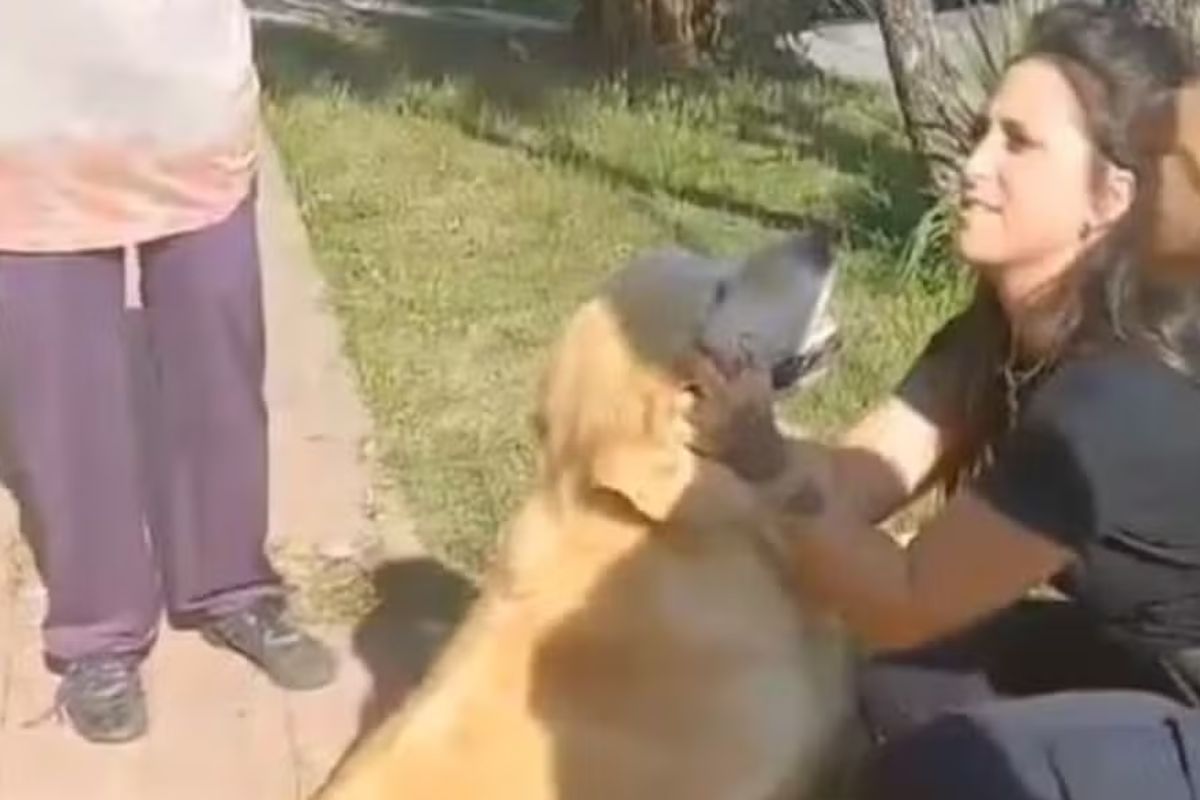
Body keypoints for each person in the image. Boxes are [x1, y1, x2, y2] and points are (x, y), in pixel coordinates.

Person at [690, 2, 1200, 795]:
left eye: (1019, 144)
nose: (974, 166)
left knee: (954, 775)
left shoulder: (1119, 396)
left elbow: (902, 598)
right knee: (889, 680)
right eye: (981, 133)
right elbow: (860, 481)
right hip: (1142, 662)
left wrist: (763, 463)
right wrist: (713, 443)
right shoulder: (997, 334)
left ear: (1112, 197)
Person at [0, 2, 335, 744]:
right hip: (26, 118)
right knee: (63, 400)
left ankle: (234, 587)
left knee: (220, 364)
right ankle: (98, 635)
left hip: (188, 107)